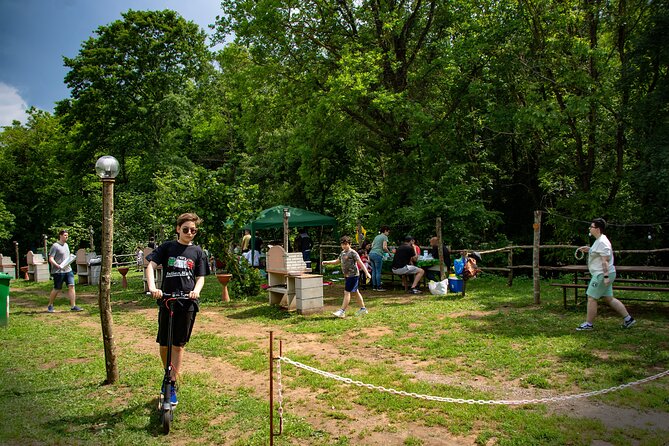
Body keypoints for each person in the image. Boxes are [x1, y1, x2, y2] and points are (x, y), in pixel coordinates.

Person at [146, 213, 208, 405]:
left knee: (178, 345)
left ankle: (171, 382)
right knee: (164, 343)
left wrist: (196, 291)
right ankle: (168, 373)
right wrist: (153, 287)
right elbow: (150, 266)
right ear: (178, 229)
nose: (190, 233)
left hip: (187, 303)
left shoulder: (198, 252)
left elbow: (200, 277)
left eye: (193, 230)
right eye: (186, 229)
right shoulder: (167, 247)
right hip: (167, 300)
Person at [576, 218, 636, 331]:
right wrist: (590, 250)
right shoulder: (599, 240)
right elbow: (599, 253)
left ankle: (589, 324)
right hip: (603, 274)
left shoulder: (602, 242)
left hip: (602, 274)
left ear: (597, 229)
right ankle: (628, 319)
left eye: (591, 227)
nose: (589, 228)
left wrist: (606, 277)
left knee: (591, 297)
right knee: (609, 299)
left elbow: (605, 261)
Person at [322, 236, 370, 318]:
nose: (344, 246)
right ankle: (363, 309)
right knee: (355, 292)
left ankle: (342, 311)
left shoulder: (353, 253)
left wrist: (367, 273)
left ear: (349, 244)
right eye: (342, 245)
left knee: (347, 292)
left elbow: (360, 263)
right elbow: (337, 261)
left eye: (346, 244)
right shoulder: (343, 253)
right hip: (347, 276)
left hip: (353, 275)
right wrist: (327, 262)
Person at [47, 230, 82, 313]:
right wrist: (57, 265)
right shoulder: (55, 246)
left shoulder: (66, 245)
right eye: (65, 235)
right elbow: (51, 258)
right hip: (58, 271)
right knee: (57, 288)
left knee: (71, 286)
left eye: (67, 235)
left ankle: (73, 306)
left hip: (68, 270)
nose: (67, 237)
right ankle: (50, 305)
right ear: (60, 236)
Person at [369, 226, 391, 291]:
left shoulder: (376, 237)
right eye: (388, 232)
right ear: (385, 231)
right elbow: (384, 247)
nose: (388, 233)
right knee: (378, 271)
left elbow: (372, 245)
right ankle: (379, 286)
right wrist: (389, 253)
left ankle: (374, 286)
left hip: (371, 254)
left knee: (374, 271)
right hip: (377, 254)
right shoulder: (384, 237)